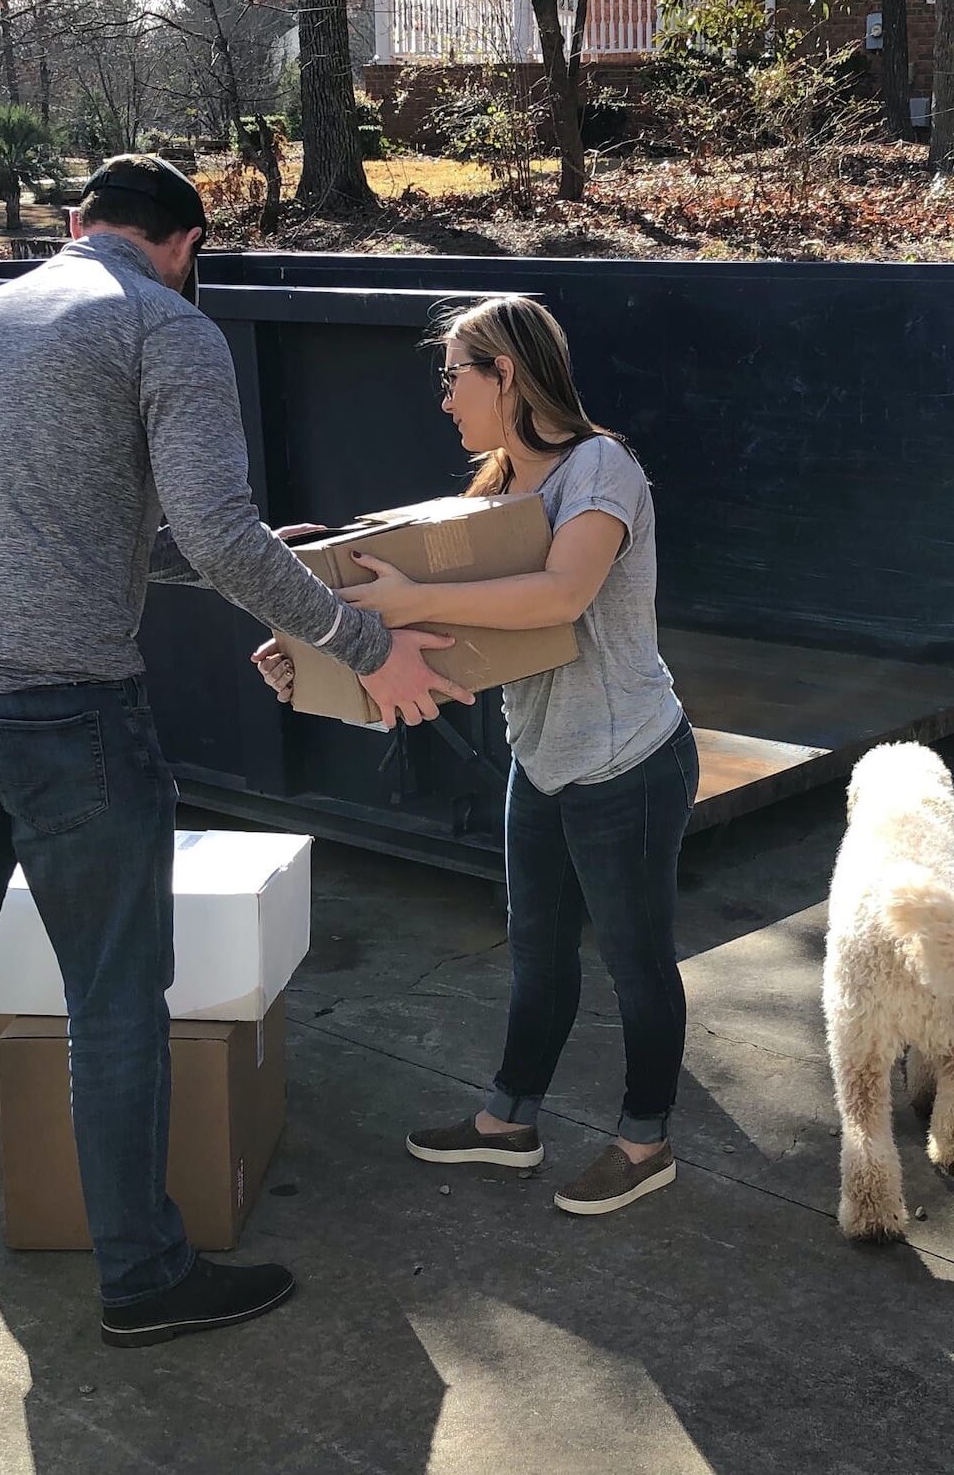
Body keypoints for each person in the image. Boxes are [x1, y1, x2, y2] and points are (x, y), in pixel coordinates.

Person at [0, 153, 472, 1349]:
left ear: (79, 223)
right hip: (60, 712)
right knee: (116, 993)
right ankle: (141, 1274)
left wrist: (240, 554)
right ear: (186, 245)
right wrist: (360, 638)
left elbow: (69, 529)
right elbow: (212, 525)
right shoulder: (164, 324)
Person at [253, 295, 697, 1216]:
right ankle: (509, 1124)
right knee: (537, 952)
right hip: (539, 760)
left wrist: (407, 603)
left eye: (455, 374)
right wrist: (317, 658)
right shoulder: (488, 497)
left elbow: (559, 597)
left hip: (628, 761)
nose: (446, 397)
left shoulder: (599, 469)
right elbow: (460, 641)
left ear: (508, 373)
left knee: (635, 958)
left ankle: (644, 1139)